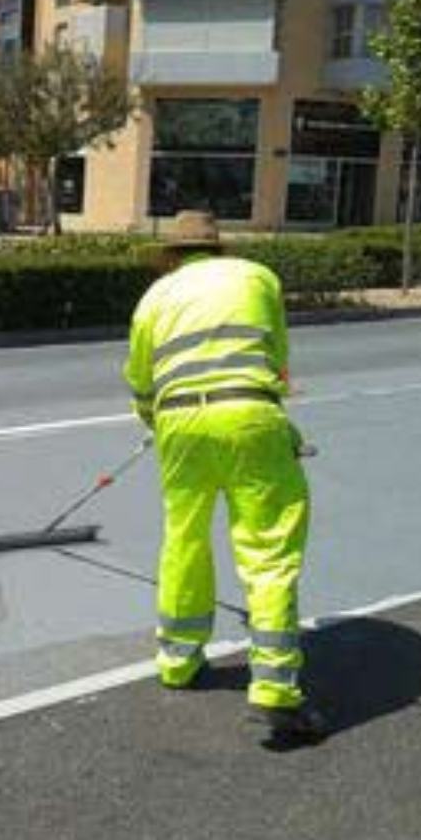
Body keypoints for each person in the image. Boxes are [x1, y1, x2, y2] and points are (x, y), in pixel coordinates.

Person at [122, 210, 326, 742]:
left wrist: (158, 420)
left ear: (171, 255)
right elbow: (277, 364)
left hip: (178, 424)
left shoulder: (154, 297)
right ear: (219, 248)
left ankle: (178, 660)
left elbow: (140, 382)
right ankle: (275, 688)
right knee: (267, 547)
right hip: (249, 415)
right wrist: (272, 417)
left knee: (183, 537)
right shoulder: (258, 278)